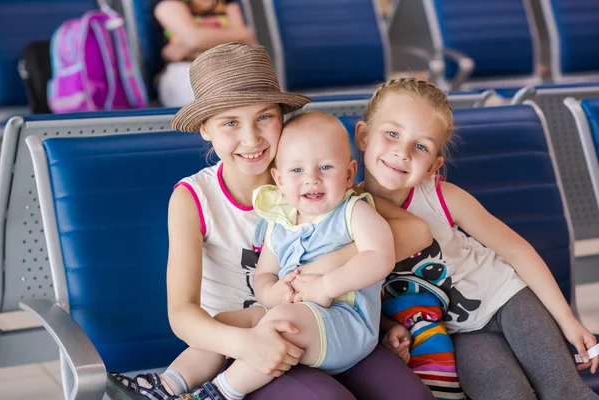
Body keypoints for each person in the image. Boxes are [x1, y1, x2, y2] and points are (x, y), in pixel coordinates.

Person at [106, 43, 436, 400]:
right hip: (240, 342)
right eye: (230, 122)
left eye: (264, 116)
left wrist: (320, 277)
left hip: (325, 322)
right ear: (204, 128)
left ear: (282, 116)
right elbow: (182, 313)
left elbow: (415, 233)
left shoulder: (316, 179)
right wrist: (248, 343)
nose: (251, 138)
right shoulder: (193, 198)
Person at [355, 77, 599, 399]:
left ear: (433, 166)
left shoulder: (443, 197)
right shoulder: (347, 213)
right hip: (459, 332)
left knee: (562, 389)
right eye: (392, 134)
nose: (402, 152)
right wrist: (389, 328)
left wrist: (567, 320)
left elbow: (516, 249)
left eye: (421, 146)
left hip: (509, 298)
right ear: (362, 135)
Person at [179, 110, 396, 399]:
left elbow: (381, 257)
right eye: (297, 171)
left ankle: (219, 393)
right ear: (279, 181)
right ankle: (168, 384)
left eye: (326, 167)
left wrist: (326, 285)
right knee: (223, 322)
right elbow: (264, 274)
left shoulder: (354, 211)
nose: (312, 180)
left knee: (280, 323)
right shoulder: (279, 221)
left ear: (349, 174)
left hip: (345, 324)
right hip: (289, 314)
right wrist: (272, 293)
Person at [154, 0, 255, 107]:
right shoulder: (168, 4)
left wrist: (194, 45)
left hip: (227, 66)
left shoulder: (227, 4)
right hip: (187, 68)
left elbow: (248, 36)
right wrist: (233, 37)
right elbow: (194, 38)